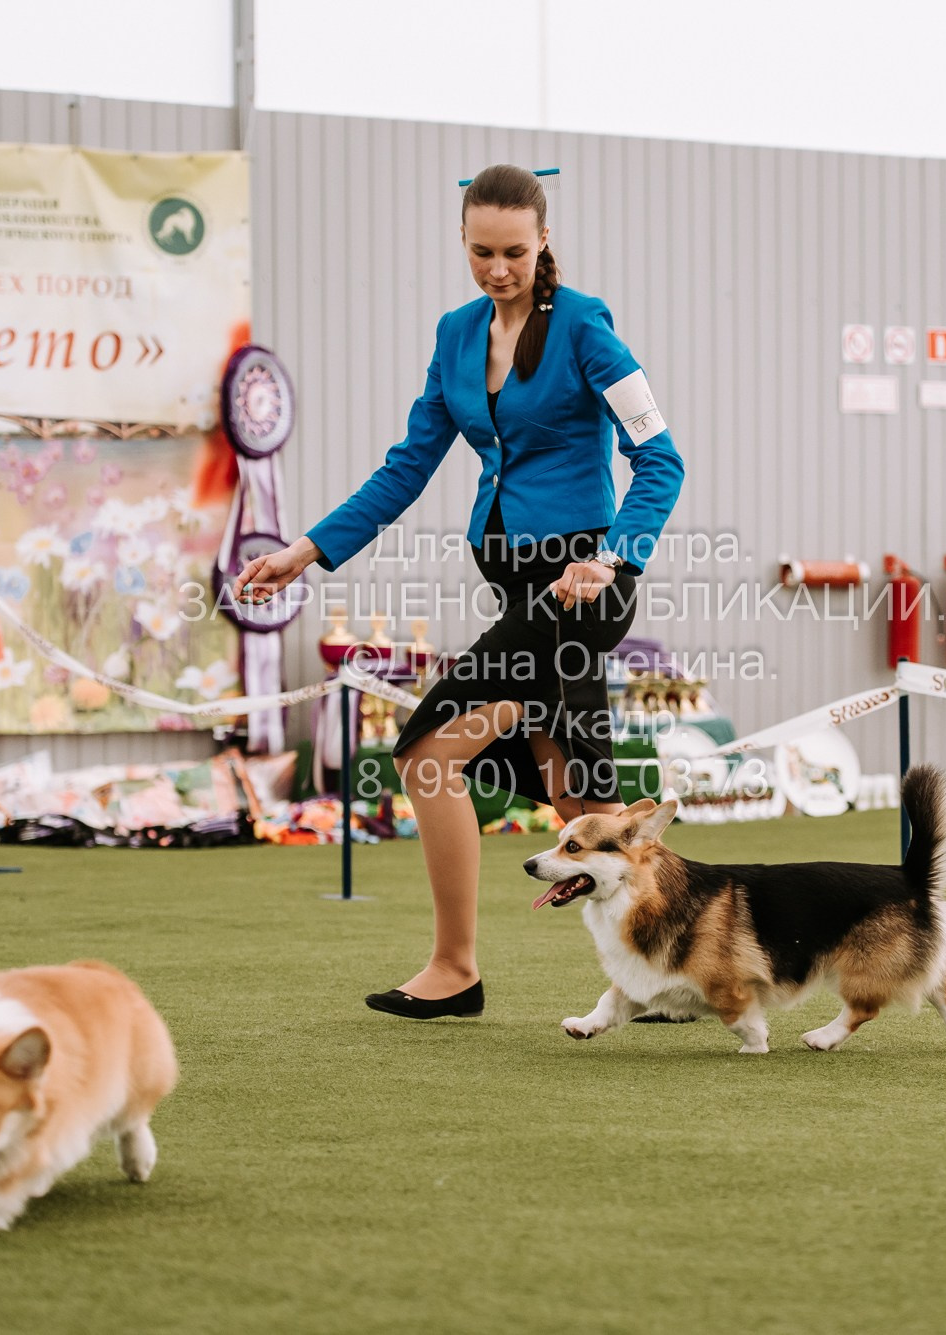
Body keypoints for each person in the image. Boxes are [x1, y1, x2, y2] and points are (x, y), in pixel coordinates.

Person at [229, 164, 685, 1020]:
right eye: (481, 252)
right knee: (582, 797)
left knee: (426, 753)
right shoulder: (456, 334)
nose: (498, 269)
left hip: (578, 592)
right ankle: (661, 975)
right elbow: (407, 466)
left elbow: (660, 459)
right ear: (463, 242)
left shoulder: (587, 326)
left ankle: (456, 967)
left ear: (544, 240)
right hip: (519, 595)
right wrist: (309, 549)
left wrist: (612, 557)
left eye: (515, 252)